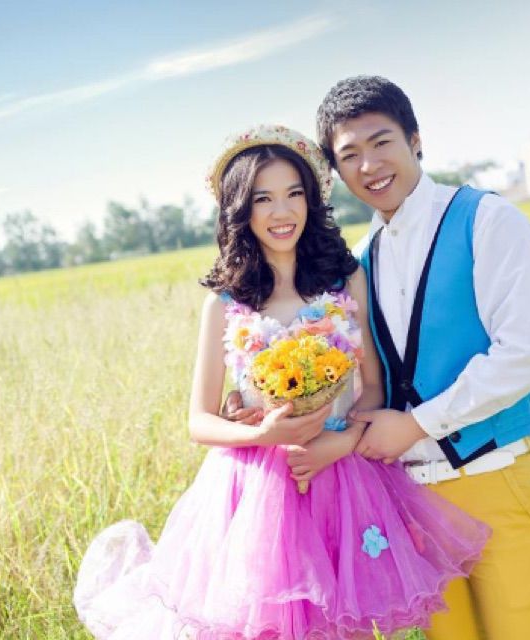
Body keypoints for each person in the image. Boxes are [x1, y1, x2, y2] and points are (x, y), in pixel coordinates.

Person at [73, 124, 490, 639]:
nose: (282, 212)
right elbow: (199, 421)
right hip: (259, 488)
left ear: (311, 200)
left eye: (294, 194)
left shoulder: (345, 281)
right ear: (241, 210)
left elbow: (374, 386)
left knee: (346, 623)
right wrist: (261, 433)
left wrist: (342, 442)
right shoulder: (226, 303)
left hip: (342, 476)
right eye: (263, 198)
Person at [315, 76, 530, 640]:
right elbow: (365, 379)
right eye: (349, 155)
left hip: (497, 479)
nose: (369, 165)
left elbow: (526, 355)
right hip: (412, 502)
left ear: (415, 139)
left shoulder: (488, 219)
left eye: (381, 142)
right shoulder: (361, 260)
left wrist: (418, 424)